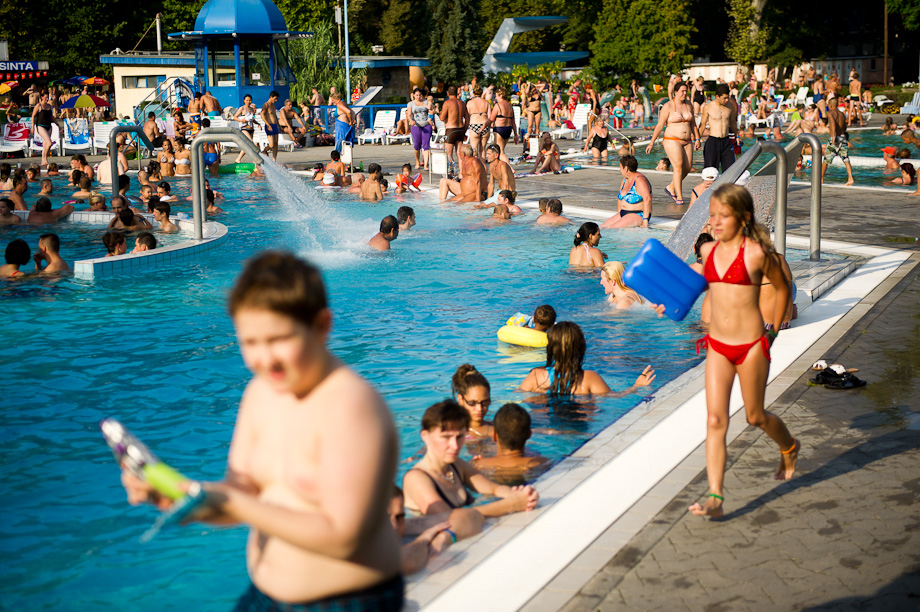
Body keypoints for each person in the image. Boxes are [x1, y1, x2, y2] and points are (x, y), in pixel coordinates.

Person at [118, 252, 404, 610]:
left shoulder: (350, 406)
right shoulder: (261, 391)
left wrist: (231, 500)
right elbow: (242, 491)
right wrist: (180, 495)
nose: (265, 359)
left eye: (279, 339)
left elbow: (342, 538)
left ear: (321, 326)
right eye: (250, 343)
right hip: (264, 596)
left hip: (346, 602)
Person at [686, 184, 798, 518]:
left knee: (755, 416)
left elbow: (782, 289)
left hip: (751, 346)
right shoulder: (709, 253)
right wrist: (670, 305)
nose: (715, 223)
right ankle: (715, 497)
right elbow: (710, 288)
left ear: (743, 217)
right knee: (715, 419)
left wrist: (773, 333)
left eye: (723, 216)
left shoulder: (758, 254)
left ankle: (789, 447)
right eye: (711, 216)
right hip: (718, 347)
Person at [402, 399, 539, 518]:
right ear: (425, 436)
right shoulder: (416, 478)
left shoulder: (456, 465)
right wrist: (509, 505)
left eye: (460, 437)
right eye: (446, 437)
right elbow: (448, 518)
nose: (455, 446)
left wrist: (522, 496)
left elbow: (494, 489)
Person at [518, 321, 655, 395]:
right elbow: (616, 397)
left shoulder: (535, 376)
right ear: (581, 348)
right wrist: (636, 386)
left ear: (551, 349)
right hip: (578, 430)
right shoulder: (589, 378)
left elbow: (520, 397)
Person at [387, 485, 481, 575]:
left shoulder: (405, 525)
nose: (394, 526)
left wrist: (445, 537)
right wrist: (424, 539)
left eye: (399, 517)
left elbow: (472, 515)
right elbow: (406, 562)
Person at [646, 81, 701, 205]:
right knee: (678, 166)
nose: (684, 93)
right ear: (675, 92)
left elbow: (693, 124)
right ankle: (679, 196)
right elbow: (660, 125)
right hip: (672, 139)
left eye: (686, 91)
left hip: (687, 141)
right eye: (682, 91)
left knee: (687, 168)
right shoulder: (668, 106)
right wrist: (651, 142)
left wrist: (697, 138)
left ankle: (671, 187)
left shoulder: (688, 105)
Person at [472, 403, 549, 485]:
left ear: (494, 436)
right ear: (529, 435)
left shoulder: (480, 465)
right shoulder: (540, 462)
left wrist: (475, 463)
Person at [600, 155, 651, 229]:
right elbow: (620, 198)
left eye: (620, 167)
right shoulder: (625, 179)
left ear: (626, 168)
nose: (620, 170)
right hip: (623, 213)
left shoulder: (640, 180)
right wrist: (619, 214)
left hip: (638, 214)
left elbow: (647, 199)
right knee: (601, 227)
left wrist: (645, 221)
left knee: (611, 228)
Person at [700, 84, 739, 173]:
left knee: (730, 170)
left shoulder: (730, 106)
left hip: (726, 141)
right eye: (724, 98)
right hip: (713, 141)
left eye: (727, 97)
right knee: (711, 172)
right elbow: (702, 124)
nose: (727, 100)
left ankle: (727, 187)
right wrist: (698, 139)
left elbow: (733, 122)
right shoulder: (708, 107)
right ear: (717, 96)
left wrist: (737, 136)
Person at [452, 364, 494, 440]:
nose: (479, 409)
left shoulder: (498, 429)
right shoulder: (452, 432)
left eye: (484, 402)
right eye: (472, 403)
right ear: (460, 400)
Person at [821, 95, 855, 186]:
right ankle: (850, 178)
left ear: (830, 105)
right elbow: (845, 127)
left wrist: (833, 137)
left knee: (826, 160)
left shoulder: (830, 113)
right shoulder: (842, 114)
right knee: (846, 159)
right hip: (843, 137)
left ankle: (821, 179)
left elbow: (832, 123)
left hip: (835, 138)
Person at [439, 86, 469, 168]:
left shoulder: (447, 103)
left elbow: (442, 118)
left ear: (448, 93)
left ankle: (451, 173)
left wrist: (439, 112)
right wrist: (464, 130)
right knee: (460, 154)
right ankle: (461, 173)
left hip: (451, 130)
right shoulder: (462, 103)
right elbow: (467, 119)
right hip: (460, 130)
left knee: (448, 153)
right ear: (457, 93)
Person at [488, 89, 519, 164]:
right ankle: (500, 170)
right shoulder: (510, 106)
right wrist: (515, 134)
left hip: (499, 129)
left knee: (500, 152)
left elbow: (491, 119)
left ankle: (510, 169)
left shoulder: (498, 105)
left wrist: (483, 127)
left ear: (501, 96)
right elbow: (513, 122)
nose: (495, 98)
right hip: (508, 129)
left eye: (496, 96)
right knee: (498, 151)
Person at [407, 88, 434, 170]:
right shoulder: (411, 104)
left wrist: (428, 105)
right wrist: (410, 120)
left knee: (426, 145)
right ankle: (417, 161)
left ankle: (426, 164)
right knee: (417, 145)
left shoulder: (426, 102)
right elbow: (409, 114)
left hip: (426, 125)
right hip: (416, 125)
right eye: (417, 95)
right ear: (413, 95)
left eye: (420, 95)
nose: (418, 97)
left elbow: (431, 109)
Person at [30, 91, 56, 167]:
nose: (47, 99)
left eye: (48, 97)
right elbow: (33, 116)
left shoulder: (49, 106)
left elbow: (52, 117)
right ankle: (44, 158)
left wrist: (58, 125)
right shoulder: (38, 106)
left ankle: (44, 161)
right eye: (45, 97)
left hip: (48, 126)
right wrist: (32, 126)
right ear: (41, 97)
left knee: (46, 144)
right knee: (49, 143)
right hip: (40, 126)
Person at [466, 86, 491, 159]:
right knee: (482, 150)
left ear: (473, 93)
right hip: (484, 125)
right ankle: (482, 168)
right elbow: (490, 117)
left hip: (474, 125)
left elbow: (467, 117)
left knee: (474, 150)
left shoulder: (470, 103)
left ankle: (475, 168)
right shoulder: (486, 102)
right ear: (481, 93)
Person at [232, 94, 258, 163]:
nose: (248, 102)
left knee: (247, 145)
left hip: (251, 129)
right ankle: (254, 160)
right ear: (244, 101)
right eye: (247, 100)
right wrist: (241, 120)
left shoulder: (252, 109)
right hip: (244, 128)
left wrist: (258, 123)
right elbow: (235, 117)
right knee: (251, 143)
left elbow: (253, 119)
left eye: (249, 100)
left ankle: (238, 159)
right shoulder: (242, 108)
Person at [261, 91, 281, 161]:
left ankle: (274, 160)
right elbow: (262, 115)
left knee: (276, 144)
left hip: (275, 125)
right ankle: (264, 150)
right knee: (271, 144)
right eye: (275, 99)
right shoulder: (266, 105)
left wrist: (279, 125)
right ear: (271, 97)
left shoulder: (273, 106)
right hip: (269, 125)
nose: (276, 100)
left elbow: (275, 116)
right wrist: (267, 124)